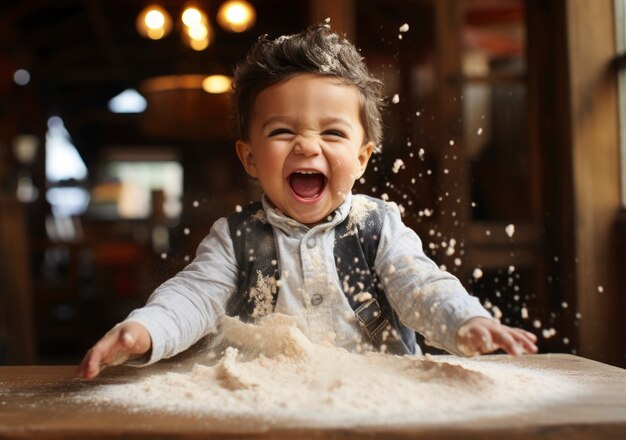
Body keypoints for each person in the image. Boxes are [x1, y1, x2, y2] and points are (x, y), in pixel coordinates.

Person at [77, 24, 537, 380]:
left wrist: (465, 321)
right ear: (250, 157)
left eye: (332, 132)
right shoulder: (236, 239)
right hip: (274, 403)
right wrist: (147, 330)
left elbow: (420, 288)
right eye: (282, 131)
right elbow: (193, 296)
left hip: (383, 401)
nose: (307, 146)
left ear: (360, 159)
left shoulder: (378, 226)